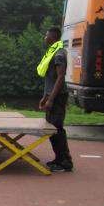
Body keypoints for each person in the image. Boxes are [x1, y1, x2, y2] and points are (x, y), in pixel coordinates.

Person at [38, 26, 73, 172]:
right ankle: (58, 159)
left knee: (57, 129)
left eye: (46, 35)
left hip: (58, 98)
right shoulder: (52, 53)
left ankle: (66, 162)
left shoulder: (58, 54)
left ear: (53, 36)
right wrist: (45, 97)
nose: (45, 37)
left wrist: (51, 99)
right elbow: (51, 79)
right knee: (51, 130)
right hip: (51, 95)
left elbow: (60, 78)